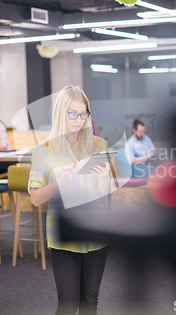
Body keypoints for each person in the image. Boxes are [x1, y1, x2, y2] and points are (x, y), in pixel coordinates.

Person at [29, 86, 112, 315]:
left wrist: (103, 182)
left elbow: (105, 203)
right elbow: (35, 198)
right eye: (72, 113)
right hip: (64, 237)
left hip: (96, 234)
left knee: (89, 301)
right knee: (67, 305)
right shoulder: (43, 152)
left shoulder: (99, 146)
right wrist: (59, 184)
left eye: (83, 113)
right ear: (60, 114)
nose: (78, 119)